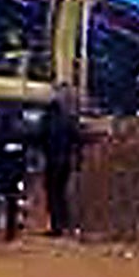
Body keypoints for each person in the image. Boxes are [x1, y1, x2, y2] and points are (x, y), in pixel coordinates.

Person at [0, 106, 27, 243]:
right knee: (9, 199)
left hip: (1, 169)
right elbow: (22, 152)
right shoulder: (20, 132)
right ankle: (8, 230)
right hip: (11, 169)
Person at [40, 97, 81, 237]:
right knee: (62, 194)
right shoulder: (68, 121)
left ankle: (56, 227)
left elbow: (40, 138)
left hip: (52, 162)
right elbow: (77, 138)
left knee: (52, 195)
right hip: (66, 162)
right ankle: (66, 224)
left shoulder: (46, 121)